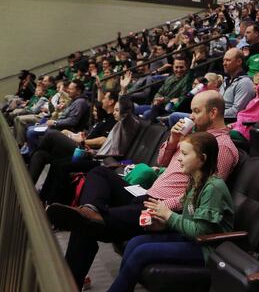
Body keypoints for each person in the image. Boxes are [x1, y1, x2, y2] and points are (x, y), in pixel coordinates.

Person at [48, 91, 238, 290]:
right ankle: (90, 208)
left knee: (83, 224)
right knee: (99, 173)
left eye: (196, 111)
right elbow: (162, 161)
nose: (190, 116)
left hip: (163, 205)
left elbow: (203, 191)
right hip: (146, 193)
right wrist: (173, 140)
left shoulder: (221, 147)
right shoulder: (195, 138)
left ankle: (70, 279)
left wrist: (162, 208)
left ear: (213, 112)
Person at [107, 132, 234, 292]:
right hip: (189, 239)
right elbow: (189, 217)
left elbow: (201, 231)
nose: (179, 158)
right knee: (135, 242)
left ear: (202, 159)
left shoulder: (213, 188)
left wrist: (169, 215)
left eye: (185, 154)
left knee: (141, 252)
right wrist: (162, 223)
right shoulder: (194, 180)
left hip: (207, 248)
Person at [229, 70, 259, 141]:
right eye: (254, 84)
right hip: (239, 128)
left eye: (257, 84)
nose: (254, 87)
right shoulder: (255, 98)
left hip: (247, 132)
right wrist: (233, 125)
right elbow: (244, 116)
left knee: (218, 135)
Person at [219, 48, 255, 120]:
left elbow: (236, 112)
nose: (224, 63)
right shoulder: (226, 80)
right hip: (218, 118)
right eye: (224, 60)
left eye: (228, 60)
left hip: (228, 122)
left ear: (239, 62)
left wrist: (212, 115)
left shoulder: (245, 83)